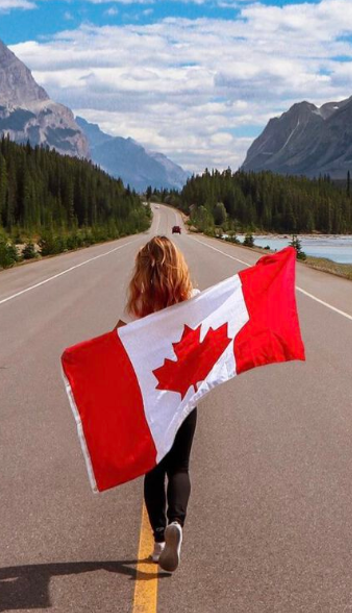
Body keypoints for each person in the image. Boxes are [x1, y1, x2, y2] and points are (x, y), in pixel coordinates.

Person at [118, 235, 198, 573]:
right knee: (180, 467)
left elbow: (115, 344)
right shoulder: (194, 299)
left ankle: (159, 541)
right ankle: (176, 522)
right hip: (184, 395)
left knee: (154, 468)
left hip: (153, 399)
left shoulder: (138, 306)